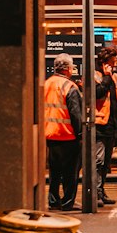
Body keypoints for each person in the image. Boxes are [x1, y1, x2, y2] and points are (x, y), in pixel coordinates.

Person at [44, 53, 82, 210]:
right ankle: (67, 203)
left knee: (54, 172)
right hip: (68, 136)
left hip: (50, 135)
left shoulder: (46, 84)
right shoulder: (69, 87)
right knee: (70, 173)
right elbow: (75, 114)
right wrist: (80, 134)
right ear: (67, 68)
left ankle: (53, 201)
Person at [94, 48, 117, 206]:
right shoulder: (95, 76)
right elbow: (97, 94)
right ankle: (96, 193)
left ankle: (101, 191)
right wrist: (106, 78)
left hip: (111, 126)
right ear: (104, 63)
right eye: (113, 62)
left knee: (105, 163)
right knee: (98, 162)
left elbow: (116, 102)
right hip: (99, 125)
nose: (115, 65)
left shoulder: (114, 77)